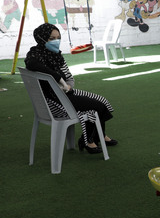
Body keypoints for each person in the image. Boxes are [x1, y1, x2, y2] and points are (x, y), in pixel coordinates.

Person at [25, 23, 117, 154]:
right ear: (42, 38)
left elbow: (69, 78)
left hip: (65, 93)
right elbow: (33, 64)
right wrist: (58, 78)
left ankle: (99, 136)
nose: (56, 41)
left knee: (102, 101)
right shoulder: (35, 55)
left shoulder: (57, 55)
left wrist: (67, 86)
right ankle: (88, 141)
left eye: (58, 37)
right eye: (51, 38)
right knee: (97, 107)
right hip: (55, 100)